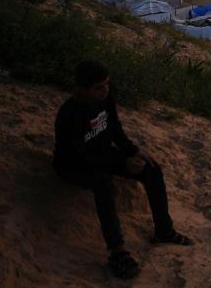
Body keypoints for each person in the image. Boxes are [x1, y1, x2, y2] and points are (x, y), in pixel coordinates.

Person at [54, 61, 191, 280]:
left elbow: (116, 130)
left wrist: (133, 152)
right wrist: (120, 163)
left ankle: (164, 230)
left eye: (107, 85)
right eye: (99, 87)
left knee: (152, 169)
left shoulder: (105, 100)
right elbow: (79, 157)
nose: (105, 90)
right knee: (103, 183)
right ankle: (117, 251)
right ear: (82, 88)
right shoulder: (69, 115)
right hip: (73, 165)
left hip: (102, 154)